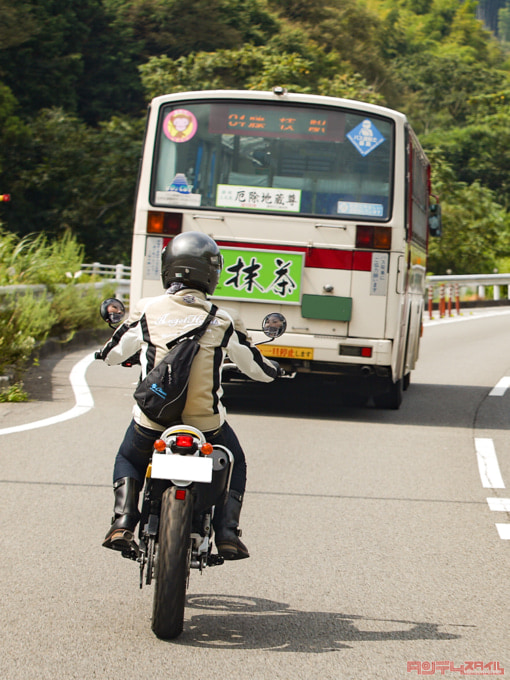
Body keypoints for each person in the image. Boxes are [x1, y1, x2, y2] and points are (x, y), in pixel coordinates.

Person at [95, 231, 279, 560]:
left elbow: (111, 353)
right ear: (211, 274)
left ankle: (122, 521)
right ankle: (226, 532)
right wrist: (275, 370)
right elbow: (256, 369)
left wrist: (109, 354)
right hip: (204, 425)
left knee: (128, 457)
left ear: (168, 269)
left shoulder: (147, 310)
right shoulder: (222, 319)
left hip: (153, 420)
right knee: (234, 461)